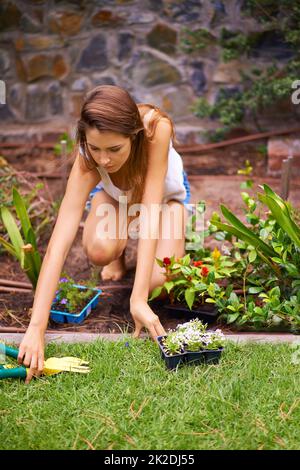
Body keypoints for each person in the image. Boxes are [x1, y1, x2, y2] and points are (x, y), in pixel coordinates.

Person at [17, 85, 192, 383]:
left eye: (114, 149)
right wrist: (36, 327)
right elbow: (59, 244)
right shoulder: (89, 159)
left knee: (159, 280)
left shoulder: (155, 129)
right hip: (116, 198)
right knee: (99, 251)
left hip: (164, 201)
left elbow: (150, 210)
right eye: (95, 148)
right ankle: (118, 253)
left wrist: (138, 300)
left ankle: (162, 249)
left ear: (133, 137)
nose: (104, 160)